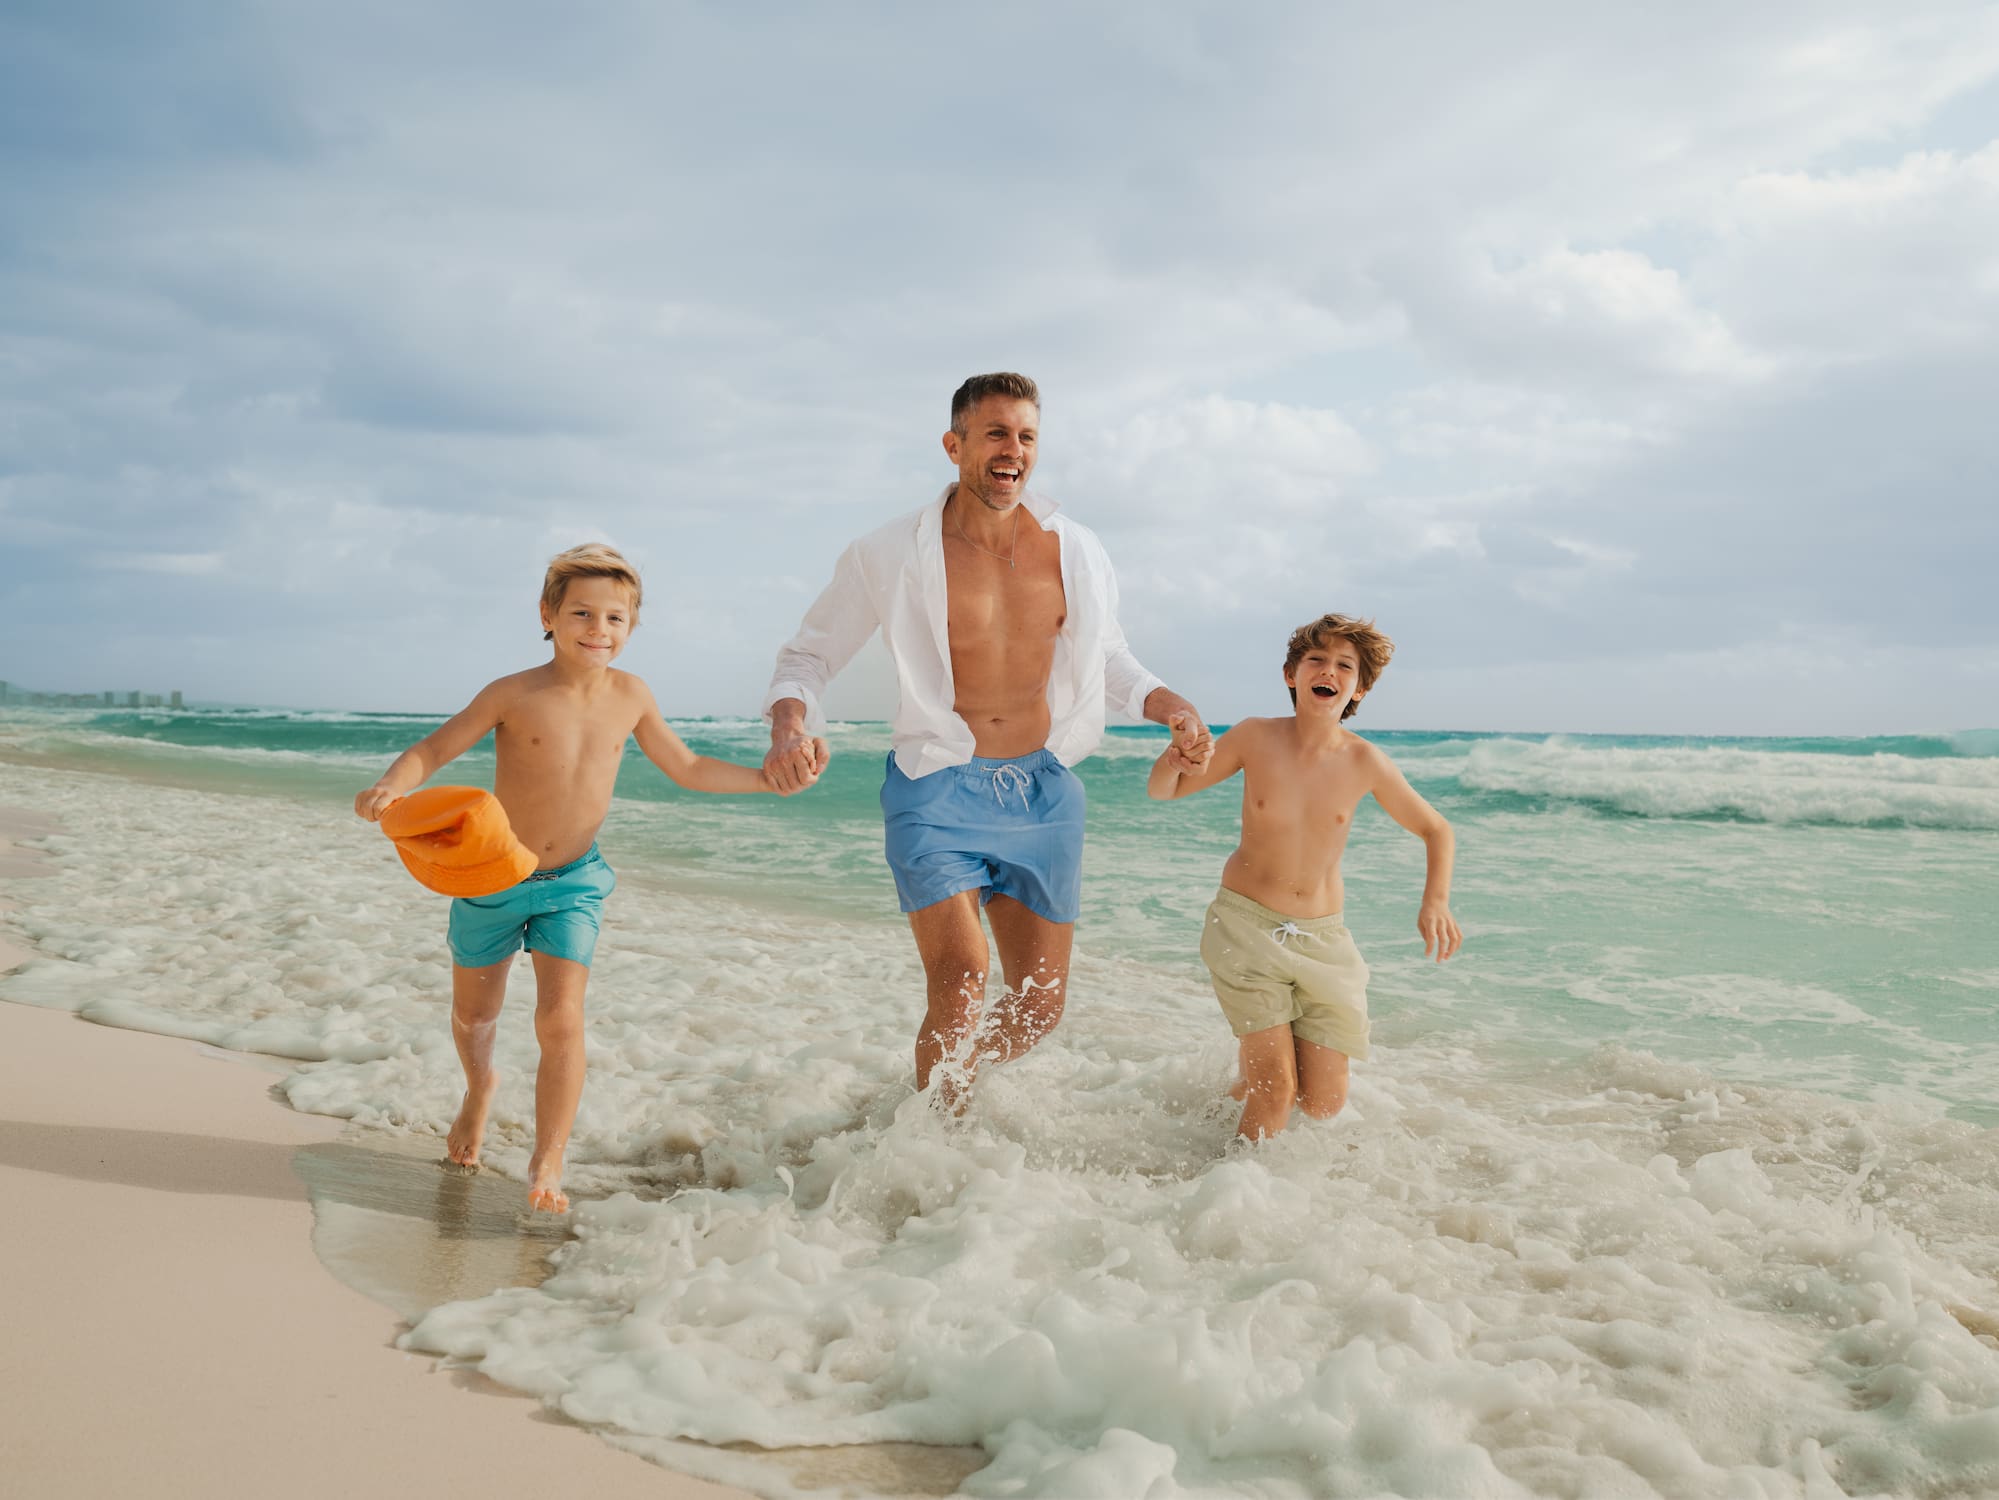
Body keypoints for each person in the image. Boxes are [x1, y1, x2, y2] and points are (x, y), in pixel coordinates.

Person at [763, 372, 1212, 1100]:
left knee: (1038, 1006)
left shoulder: (1076, 548)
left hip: (1043, 791)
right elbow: (807, 656)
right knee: (962, 977)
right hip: (936, 785)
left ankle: (935, 1100)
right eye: (996, 433)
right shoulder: (888, 552)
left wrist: (1172, 707)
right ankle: (927, 1153)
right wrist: (790, 724)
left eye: (1026, 436)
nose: (1013, 450)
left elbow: (1107, 656)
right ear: (955, 444)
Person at [355, 543, 783, 1211]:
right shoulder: (513, 693)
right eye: (582, 613)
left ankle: (546, 1161)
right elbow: (436, 748)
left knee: (561, 1019)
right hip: (492, 872)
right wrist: (391, 784)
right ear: (548, 615)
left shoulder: (632, 696)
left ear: (631, 628)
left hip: (574, 881)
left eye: (615, 619)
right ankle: (478, 1091)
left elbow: (690, 767)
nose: (598, 629)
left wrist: (767, 782)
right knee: (476, 1015)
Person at [1146, 612, 1461, 1141]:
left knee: (1321, 1102)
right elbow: (1165, 790)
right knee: (1277, 1094)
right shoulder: (1254, 737)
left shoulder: (1366, 762)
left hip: (1323, 942)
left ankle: (1223, 1111)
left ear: (1359, 687)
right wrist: (1176, 757)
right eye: (1317, 660)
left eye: (1345, 665)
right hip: (1244, 930)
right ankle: (1221, 1189)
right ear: (1292, 674)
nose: (1329, 671)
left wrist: (1436, 901)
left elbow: (1436, 829)